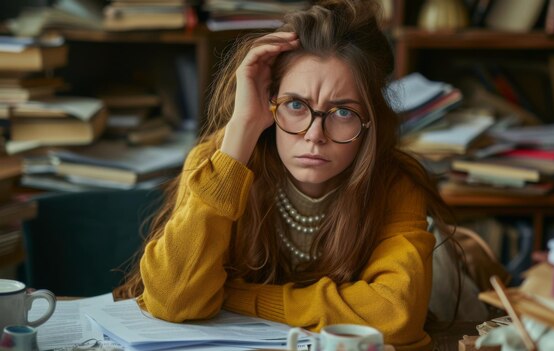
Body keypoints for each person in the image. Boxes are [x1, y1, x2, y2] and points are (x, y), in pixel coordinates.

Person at [117, 0, 456, 349]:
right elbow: (172, 298)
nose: (314, 135)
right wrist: (242, 129)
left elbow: (394, 316)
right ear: (269, 102)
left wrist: (230, 297)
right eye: (296, 105)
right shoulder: (218, 161)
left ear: (370, 121)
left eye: (341, 111)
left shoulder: (395, 183)